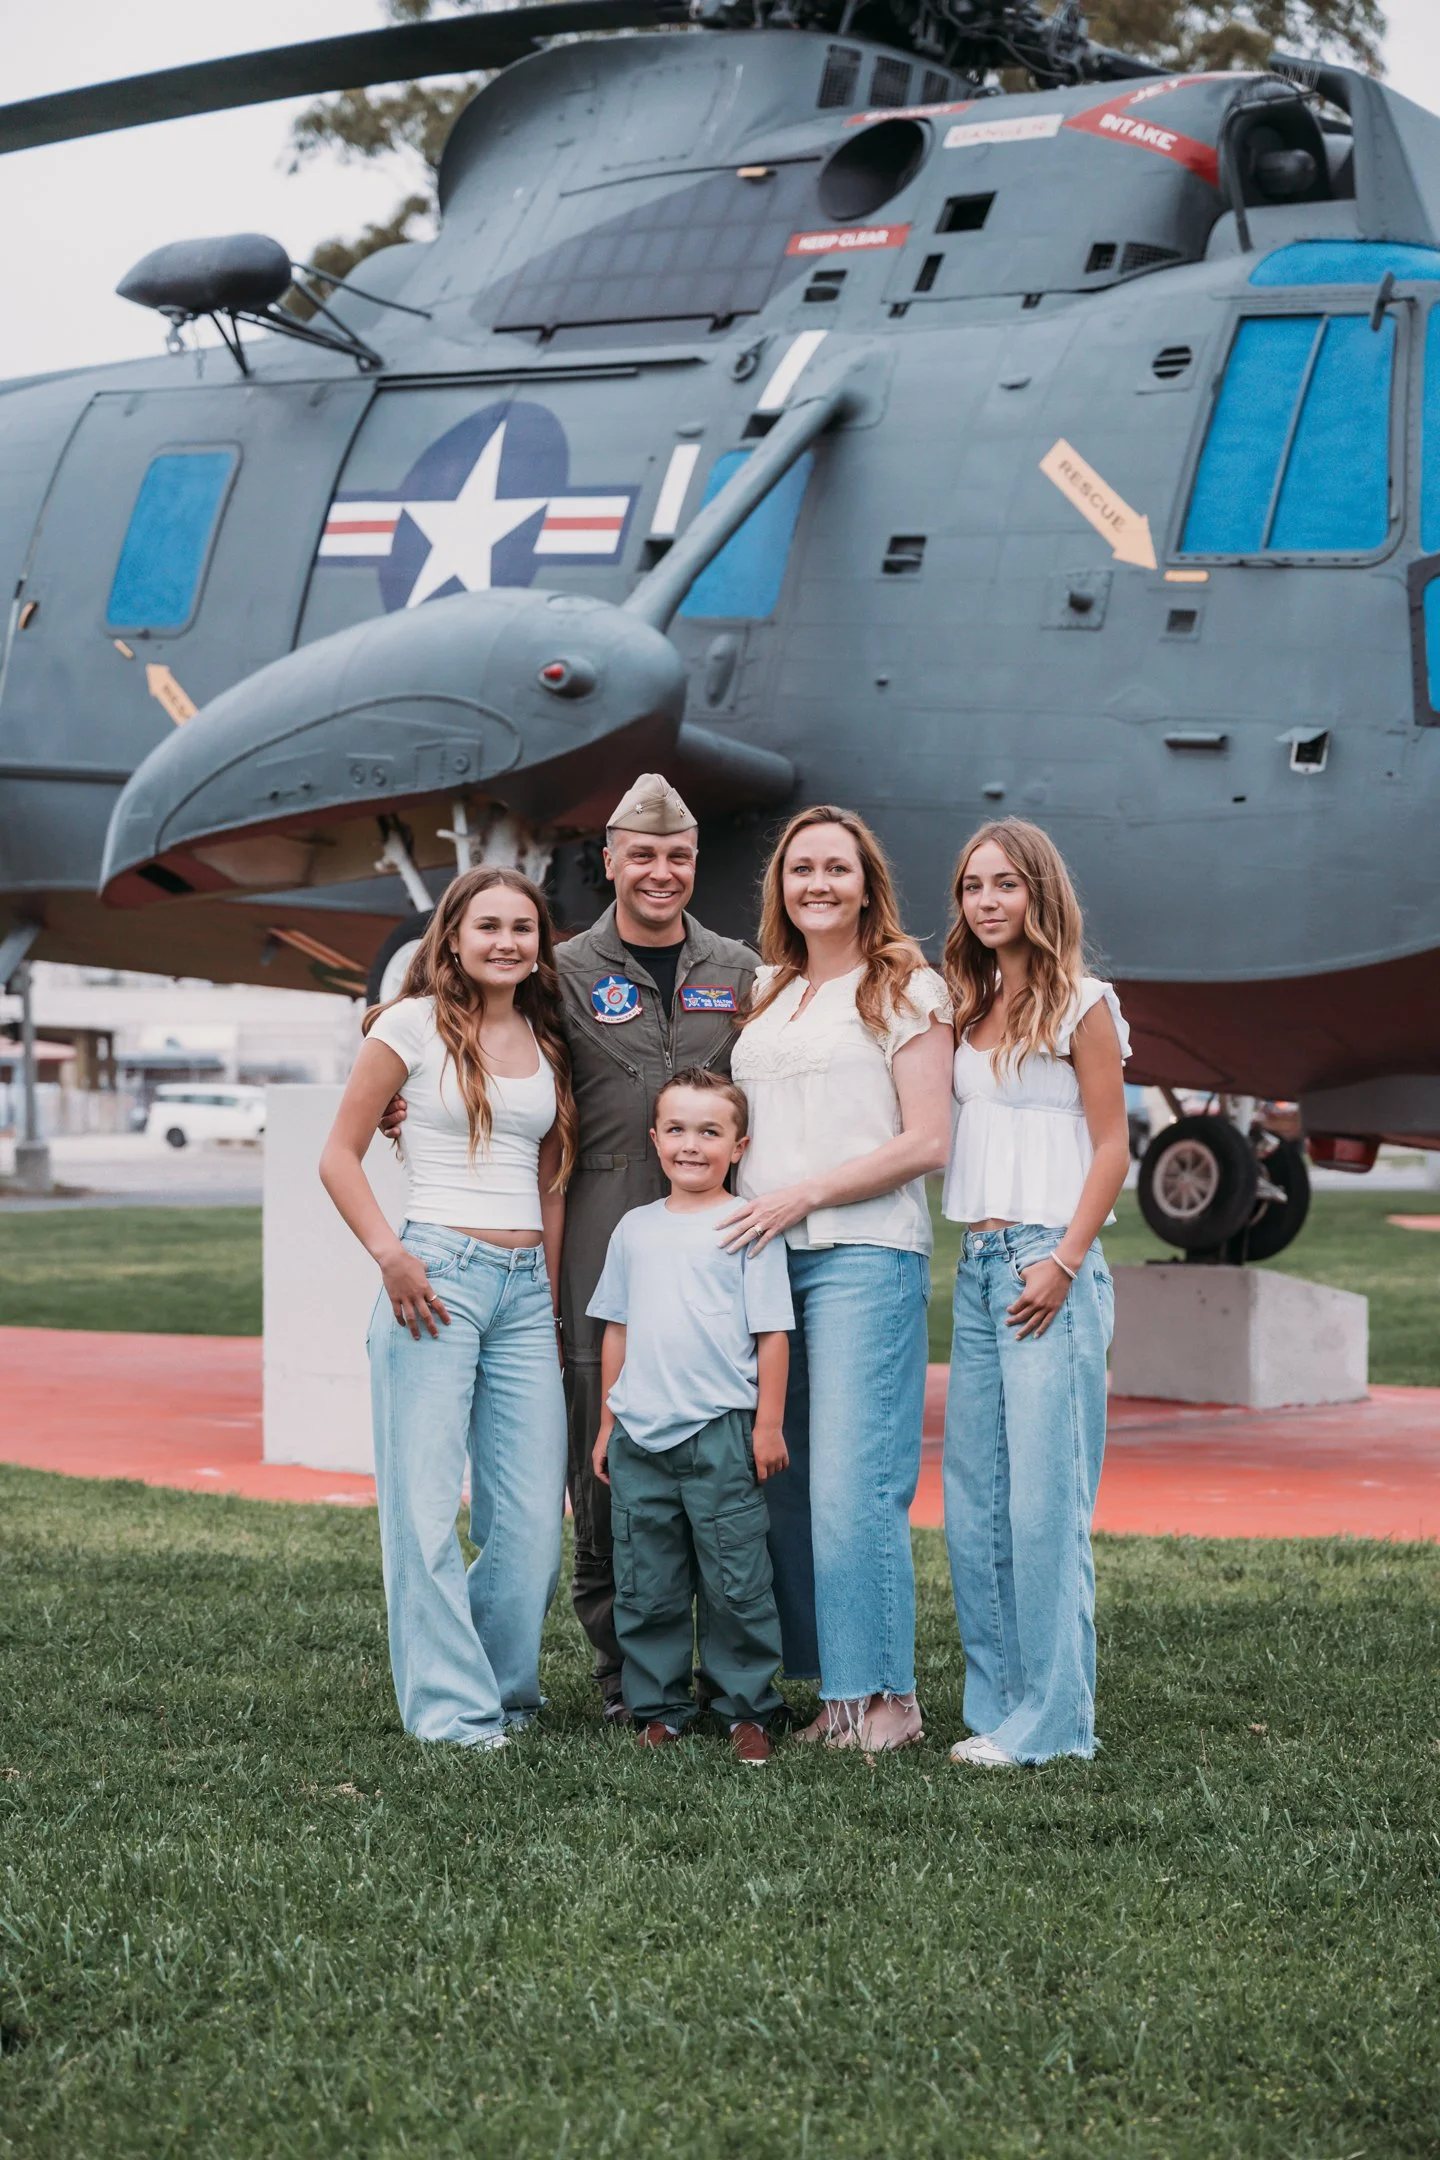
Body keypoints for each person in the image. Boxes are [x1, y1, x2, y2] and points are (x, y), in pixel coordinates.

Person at [378, 775, 758, 1723]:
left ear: (695, 864)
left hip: (723, 1249)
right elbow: (473, 1021)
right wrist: (393, 1087)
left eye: (678, 856)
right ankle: (628, 1678)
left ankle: (741, 1680)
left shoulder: (745, 971)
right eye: (642, 854)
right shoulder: (562, 969)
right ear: (612, 862)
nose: (660, 871)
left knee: (733, 1456)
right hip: (595, 1241)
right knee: (607, 1462)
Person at [319, 867, 575, 1751]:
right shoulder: (409, 1024)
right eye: (488, 926)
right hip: (435, 1277)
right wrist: (393, 1257)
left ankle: (500, 1691)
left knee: (535, 1523)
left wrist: (548, 1290)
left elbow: (549, 1180)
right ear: (453, 938)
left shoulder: (545, 1034)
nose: (507, 941)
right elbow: (339, 1156)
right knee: (424, 1513)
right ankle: (452, 1715)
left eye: (524, 928)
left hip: (523, 1287)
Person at [723, 806, 953, 1752]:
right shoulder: (767, 990)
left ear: (868, 884)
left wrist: (805, 1192)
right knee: (783, 1477)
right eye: (801, 868)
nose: (818, 883)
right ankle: (835, 1695)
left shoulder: (906, 988)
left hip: (863, 1253)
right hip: (765, 1261)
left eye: (837, 869)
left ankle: (886, 1703)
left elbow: (929, 1140)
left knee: (854, 1485)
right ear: (781, 885)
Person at [939, 819, 1130, 1769]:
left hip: (1047, 1260)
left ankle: (1056, 1724)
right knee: (976, 1499)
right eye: (974, 886)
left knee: (1046, 1502)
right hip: (979, 1266)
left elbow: (1112, 1147)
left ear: (1038, 894)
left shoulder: (1081, 1004)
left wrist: (1062, 1260)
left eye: (1005, 885)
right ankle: (1004, 1706)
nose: (987, 901)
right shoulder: (965, 1009)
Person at [589, 1069, 794, 1764]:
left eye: (710, 1131)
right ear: (655, 1140)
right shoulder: (634, 1229)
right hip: (640, 1436)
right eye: (676, 1129)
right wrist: (608, 1423)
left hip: (720, 1433)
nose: (692, 1144)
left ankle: (747, 1708)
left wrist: (767, 1424)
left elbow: (772, 1335)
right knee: (646, 1583)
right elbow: (614, 1327)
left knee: (736, 1579)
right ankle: (660, 1708)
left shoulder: (749, 1225)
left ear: (739, 1145)